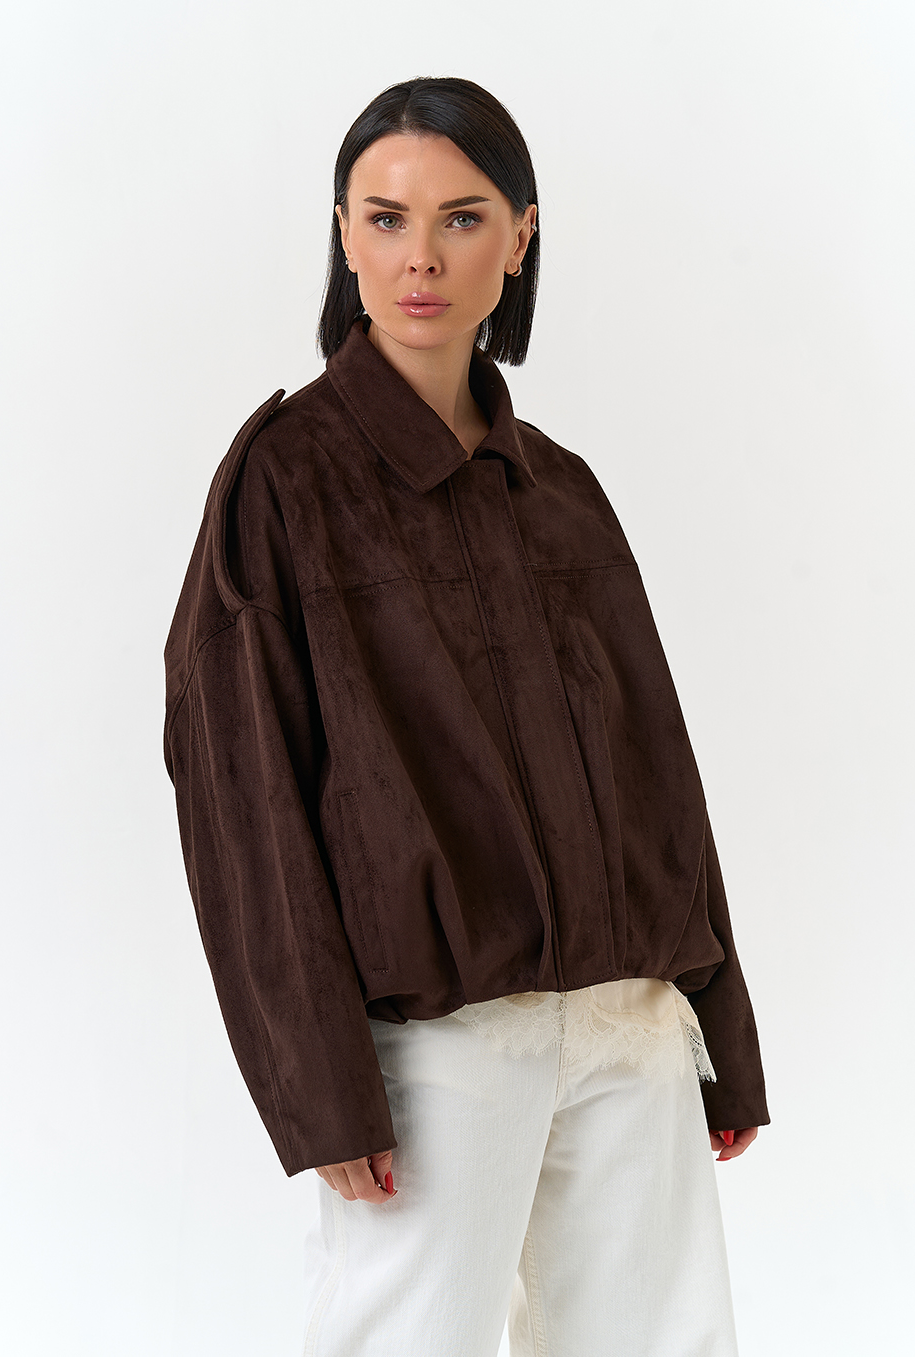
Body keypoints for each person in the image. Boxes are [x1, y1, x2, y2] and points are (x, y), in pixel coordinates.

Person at [163, 75, 770, 1357]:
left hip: (627, 1024)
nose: (420, 258)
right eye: (385, 218)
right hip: (437, 1047)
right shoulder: (284, 482)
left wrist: (717, 1020)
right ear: (343, 235)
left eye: (461, 217)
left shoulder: (562, 491)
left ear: (519, 236)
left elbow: (658, 772)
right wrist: (318, 1086)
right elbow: (243, 800)